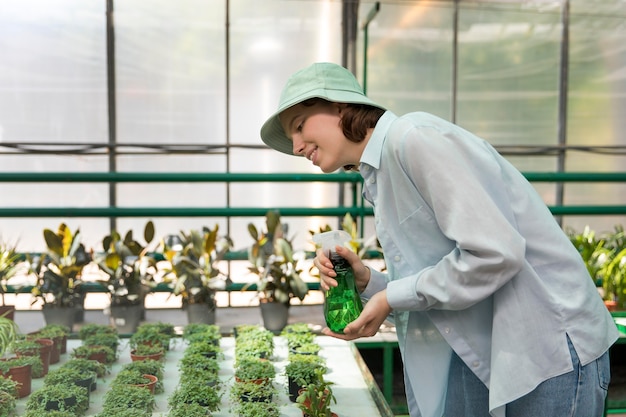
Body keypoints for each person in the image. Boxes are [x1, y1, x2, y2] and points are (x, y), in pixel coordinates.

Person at [260, 62, 618, 417]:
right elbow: (441, 274)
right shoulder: (378, 173)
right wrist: (369, 282)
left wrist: (390, 298)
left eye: (299, 126)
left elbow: (495, 254)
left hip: (551, 349)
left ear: (338, 105)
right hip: (500, 352)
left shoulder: (413, 138)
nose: (295, 146)